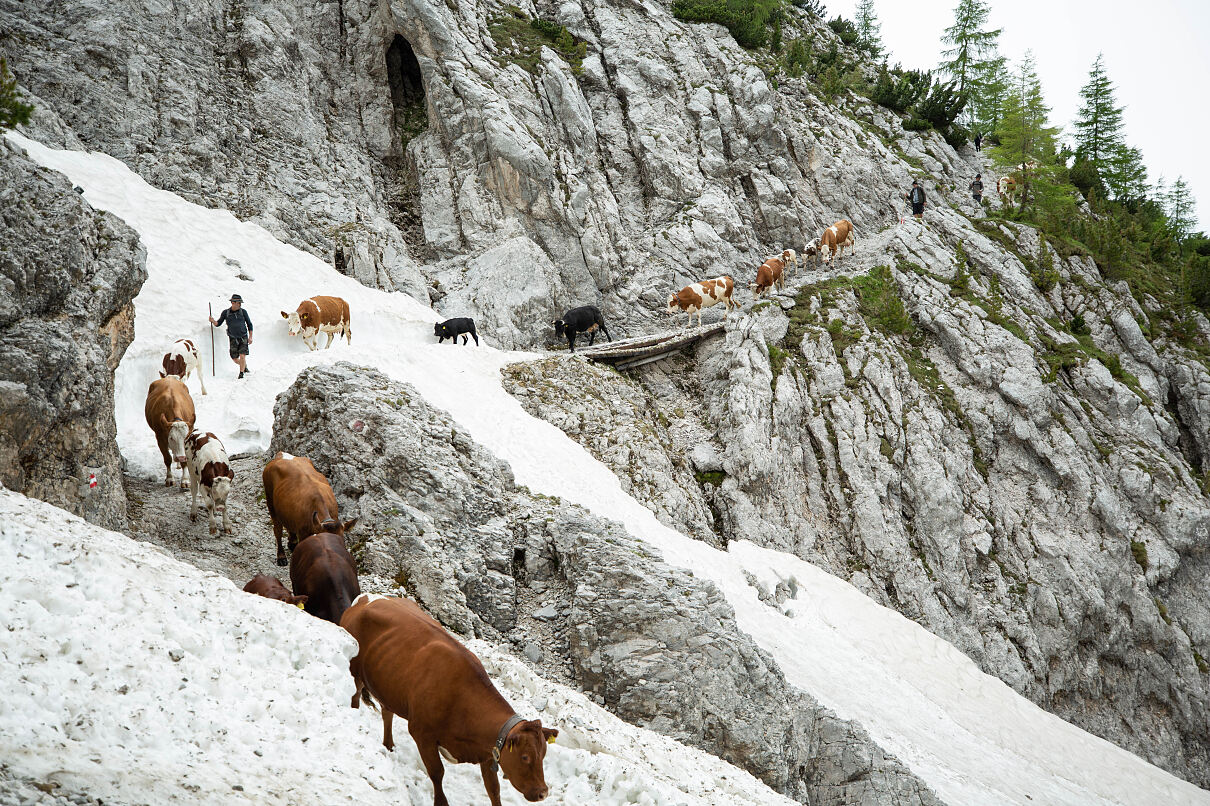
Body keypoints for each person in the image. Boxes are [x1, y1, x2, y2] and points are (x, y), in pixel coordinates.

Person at [209, 294, 253, 378]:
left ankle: (241, 374)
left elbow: (249, 324)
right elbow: (218, 324)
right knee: (235, 358)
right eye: (238, 302)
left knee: (242, 355)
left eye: (240, 303)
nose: (240, 304)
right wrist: (212, 321)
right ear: (233, 303)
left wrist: (250, 337)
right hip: (232, 338)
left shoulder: (243, 312)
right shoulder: (226, 313)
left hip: (243, 337)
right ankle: (244, 366)